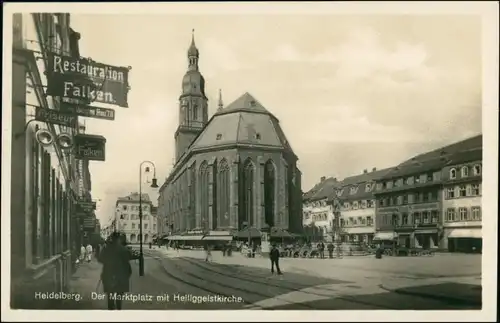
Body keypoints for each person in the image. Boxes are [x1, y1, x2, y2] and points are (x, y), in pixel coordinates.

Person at [98, 232, 133, 310]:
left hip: (108, 275)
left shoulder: (106, 248)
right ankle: (118, 312)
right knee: (119, 297)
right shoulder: (123, 249)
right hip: (121, 276)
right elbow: (129, 258)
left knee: (110, 297)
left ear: (111, 239)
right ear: (118, 239)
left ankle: (111, 311)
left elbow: (100, 259)